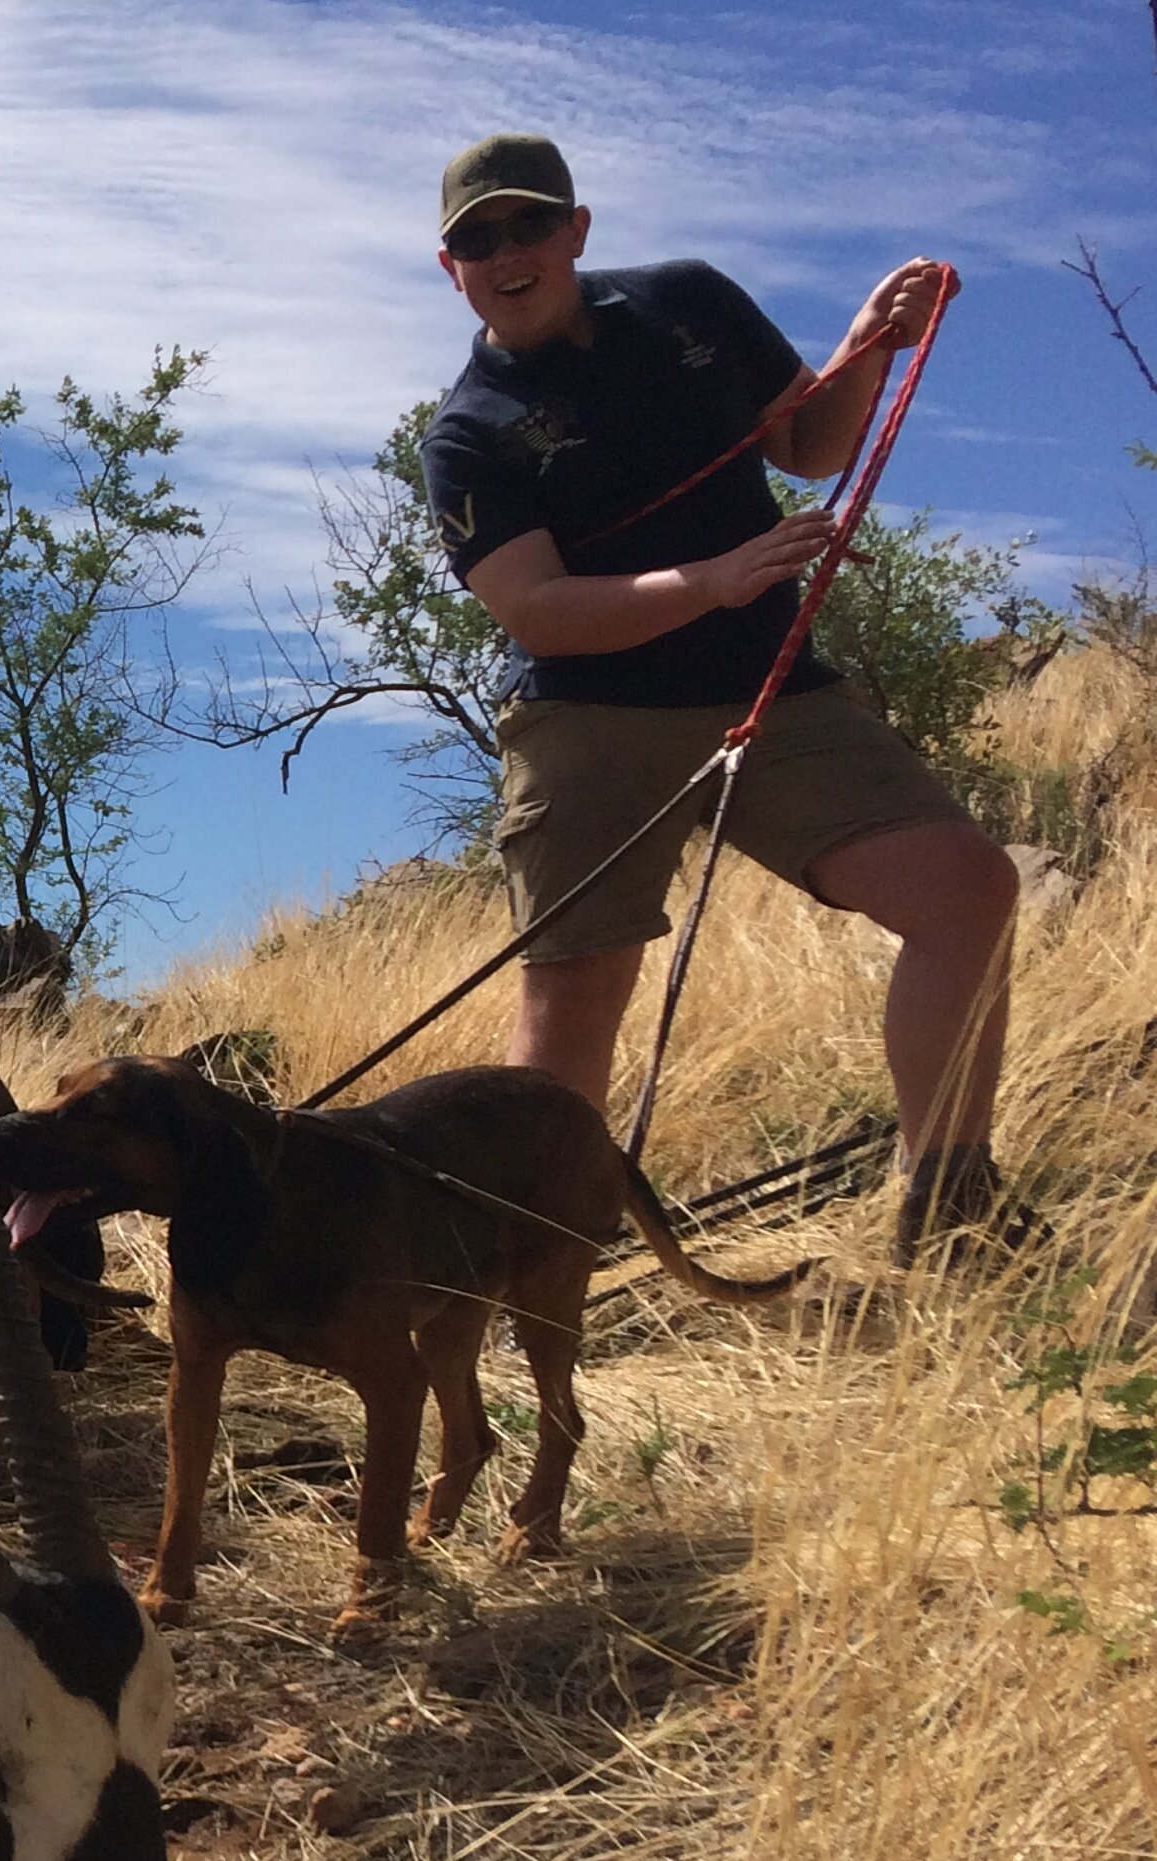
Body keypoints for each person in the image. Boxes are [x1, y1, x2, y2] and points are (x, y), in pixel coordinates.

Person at [418, 133, 1026, 1263]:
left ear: (576, 231)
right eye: (476, 238)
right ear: (448, 265)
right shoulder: (467, 435)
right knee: (573, 1006)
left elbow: (808, 442)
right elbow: (539, 611)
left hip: (769, 690)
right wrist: (711, 581)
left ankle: (947, 1199)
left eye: (527, 226)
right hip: (587, 721)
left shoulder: (689, 304)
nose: (506, 253)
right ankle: (530, 1274)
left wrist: (866, 344)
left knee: (966, 888)